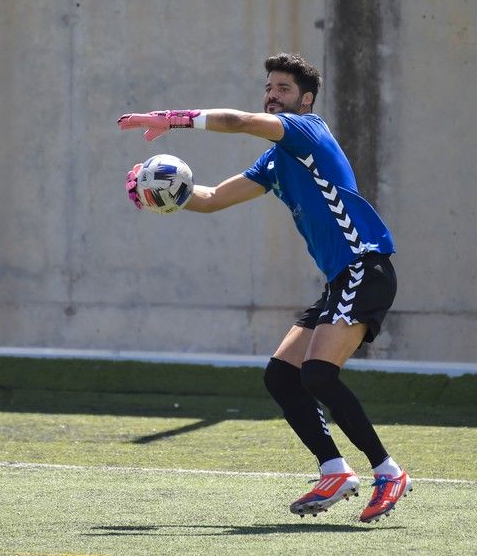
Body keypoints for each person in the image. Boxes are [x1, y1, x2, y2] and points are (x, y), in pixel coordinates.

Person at [117, 53, 411, 523]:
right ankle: (334, 469)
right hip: (341, 279)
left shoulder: (308, 132)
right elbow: (211, 199)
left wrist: (172, 120)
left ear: (305, 100)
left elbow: (237, 121)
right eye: (269, 88)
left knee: (317, 375)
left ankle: (387, 470)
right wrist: (162, 191)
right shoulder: (277, 162)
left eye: (283, 89)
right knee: (281, 375)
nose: (272, 96)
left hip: (365, 266)